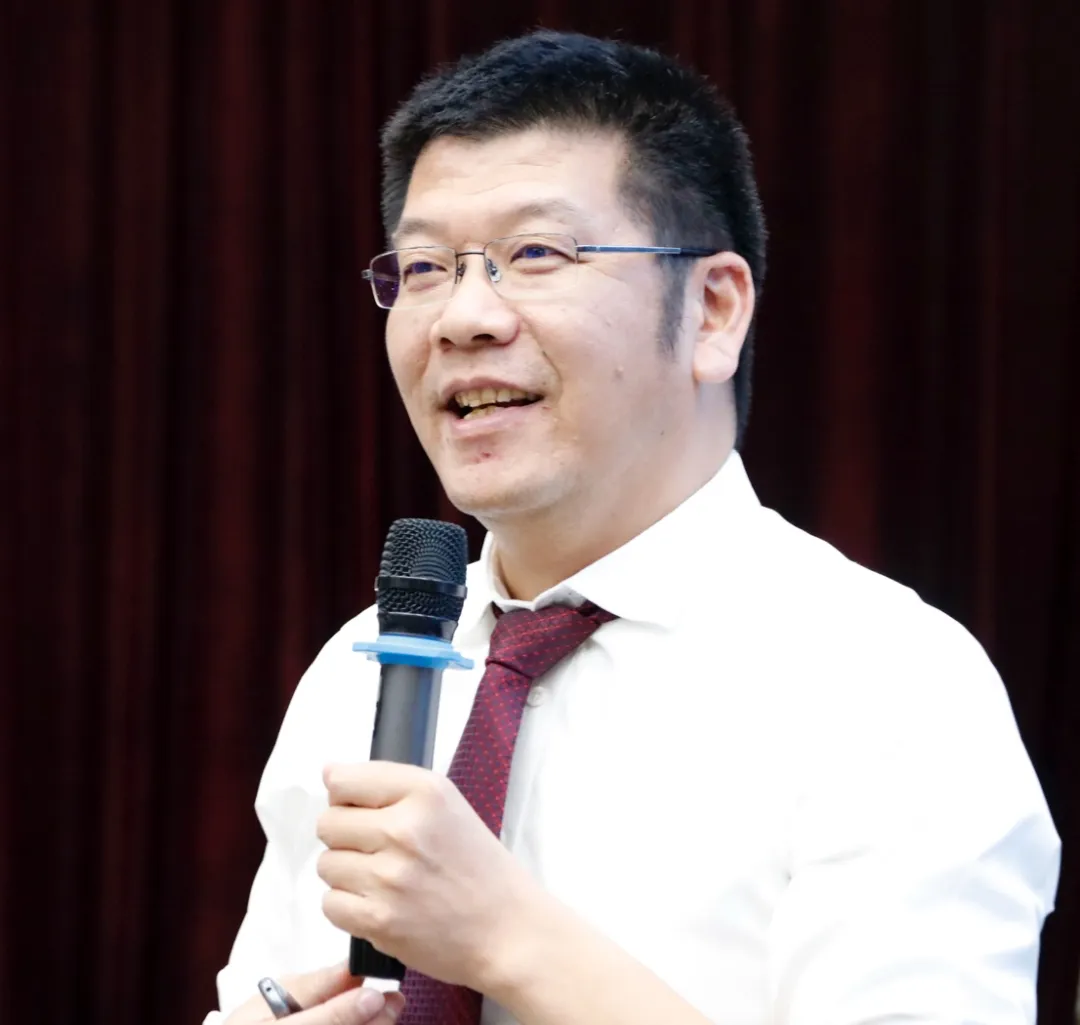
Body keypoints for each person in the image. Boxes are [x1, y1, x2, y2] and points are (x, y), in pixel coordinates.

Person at [205, 29, 1060, 1025]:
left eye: (536, 254)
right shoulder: (360, 669)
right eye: (426, 265)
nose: (463, 317)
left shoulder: (891, 684)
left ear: (713, 311)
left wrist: (509, 940)